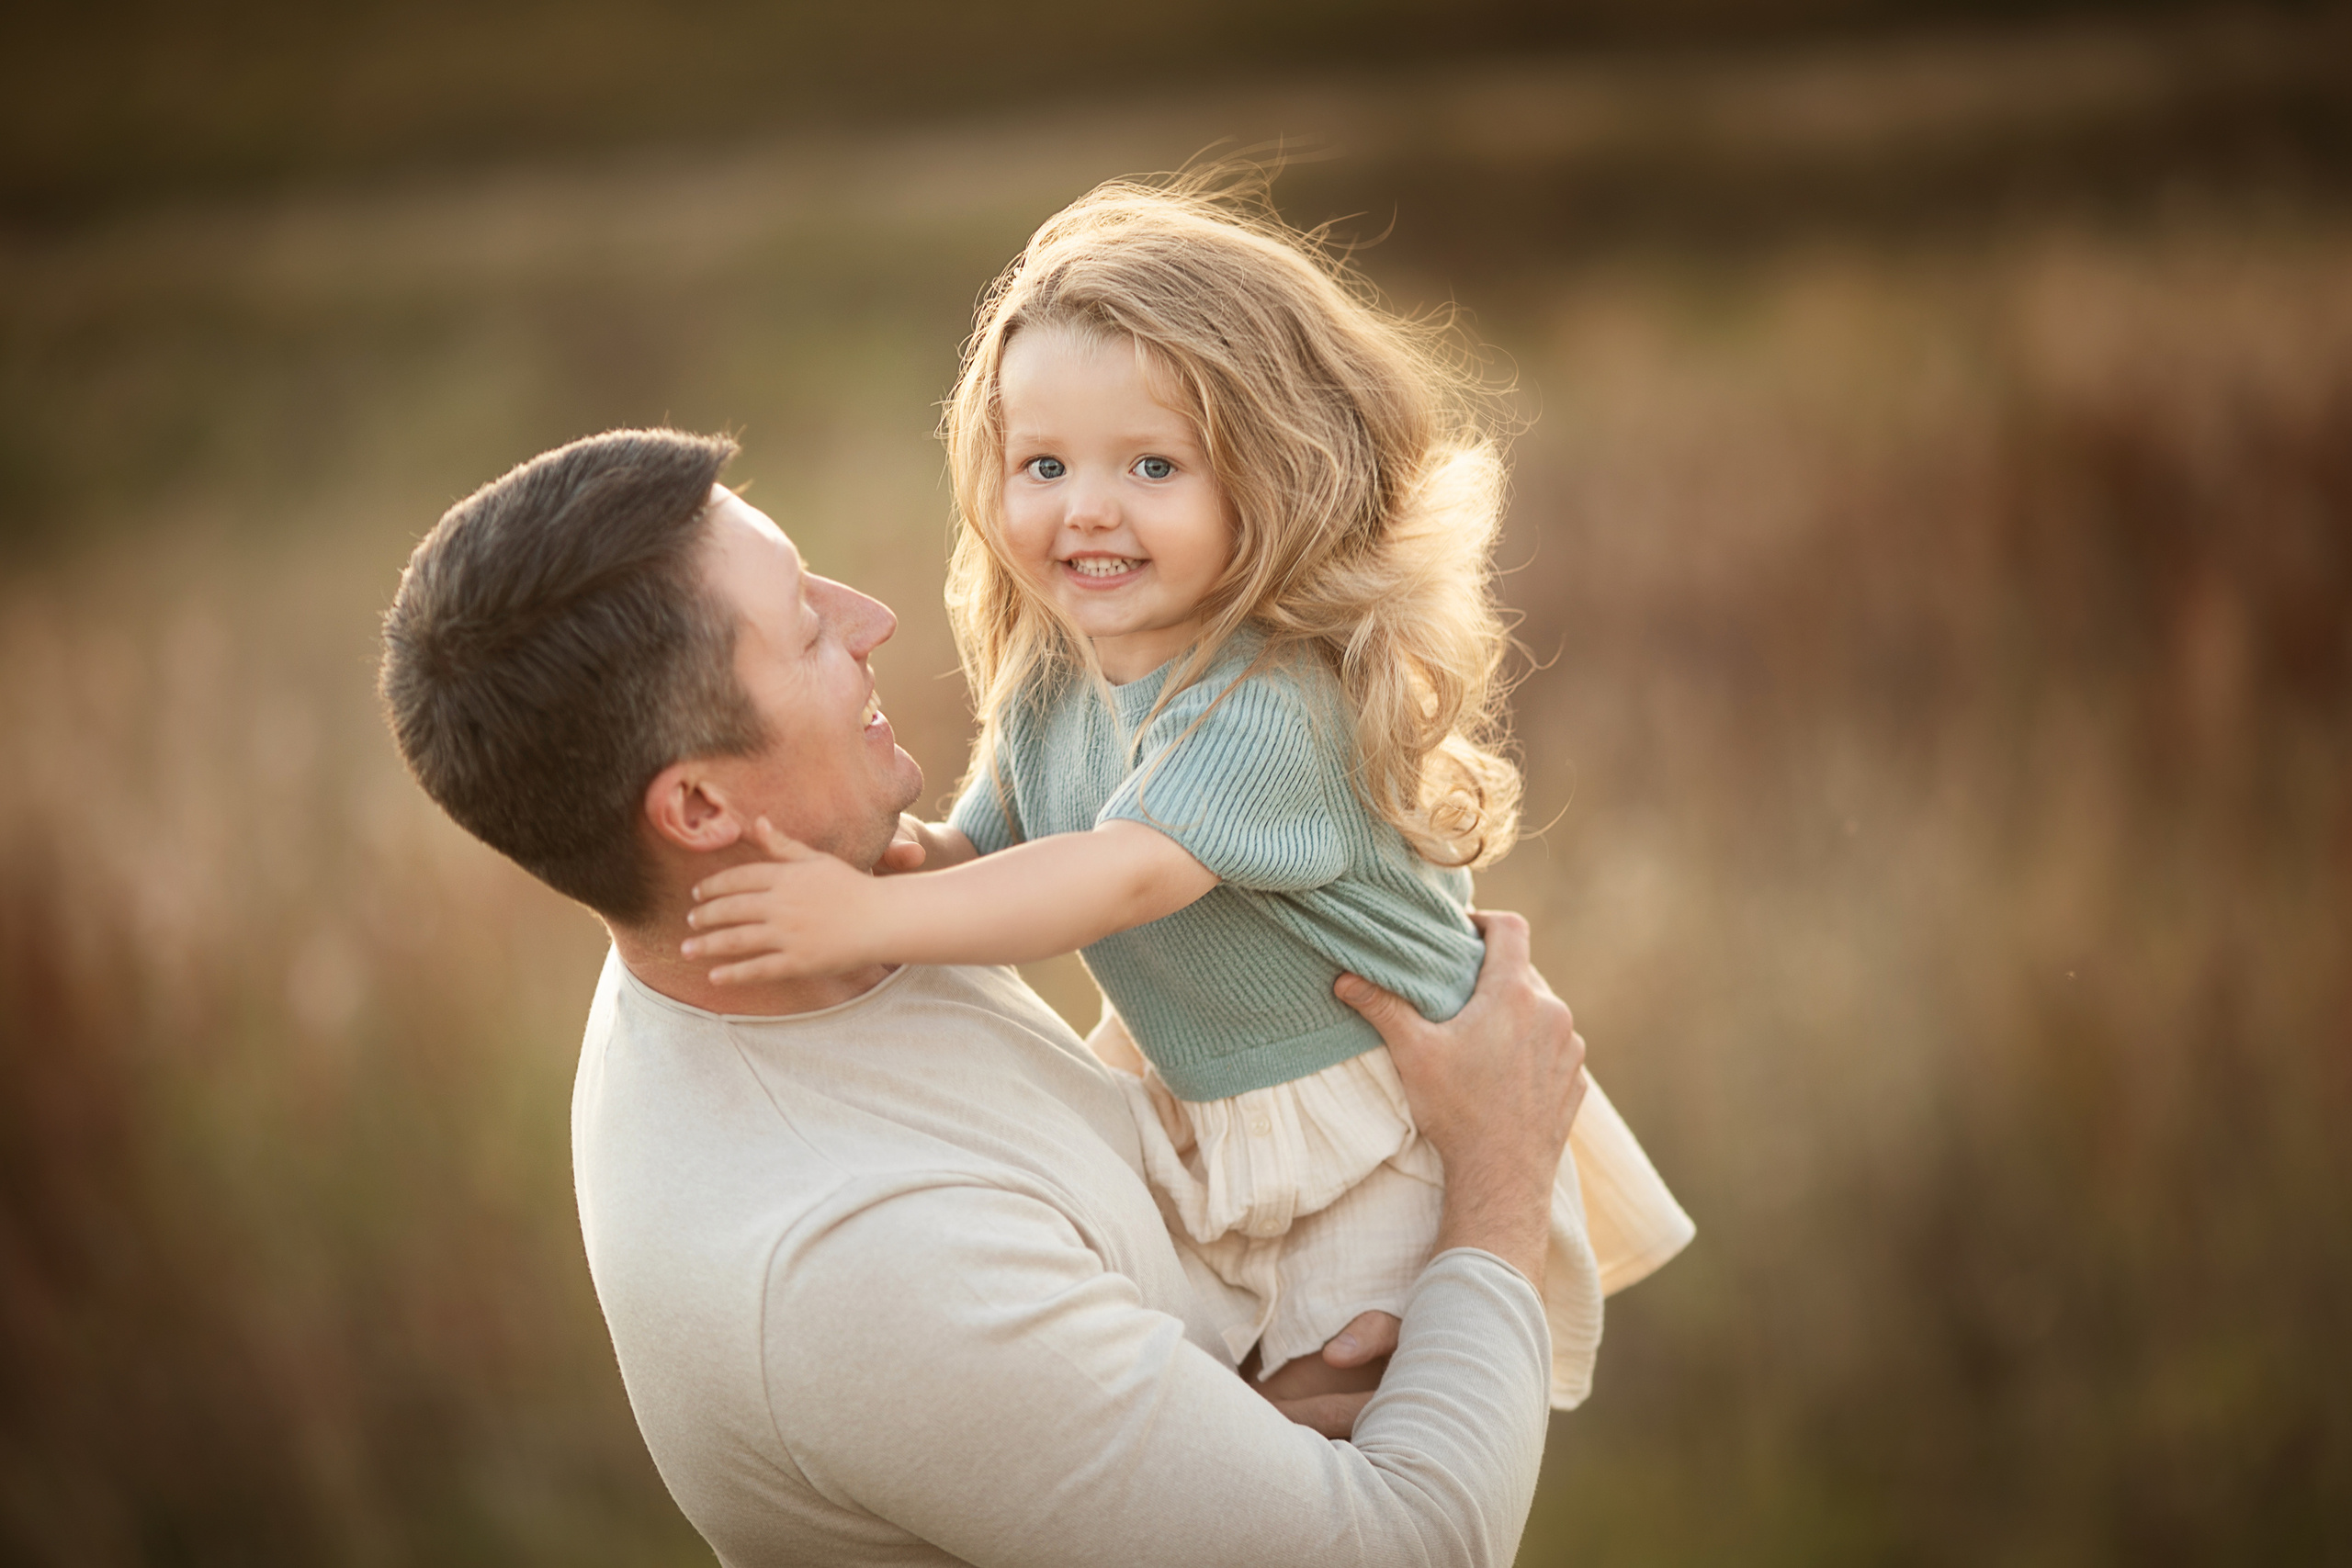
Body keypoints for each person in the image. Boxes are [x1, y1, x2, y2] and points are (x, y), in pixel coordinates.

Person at [378, 425, 1593, 1567]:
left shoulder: (789, 920)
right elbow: (1411, 1551)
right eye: (804, 628)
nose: (872, 620)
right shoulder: (853, 1270)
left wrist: (1210, 1427)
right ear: (699, 808)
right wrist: (1496, 1170)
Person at [677, 179, 1693, 1410]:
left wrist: (863, 919)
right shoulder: (1057, 672)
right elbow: (985, 852)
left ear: (1271, 480)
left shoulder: (1269, 697)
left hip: (1386, 1128)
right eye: (1043, 464)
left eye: (1153, 465)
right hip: (1226, 1125)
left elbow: (1121, 876)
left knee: (1337, 1445)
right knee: (1206, 1425)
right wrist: (880, 866)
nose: (1086, 509)